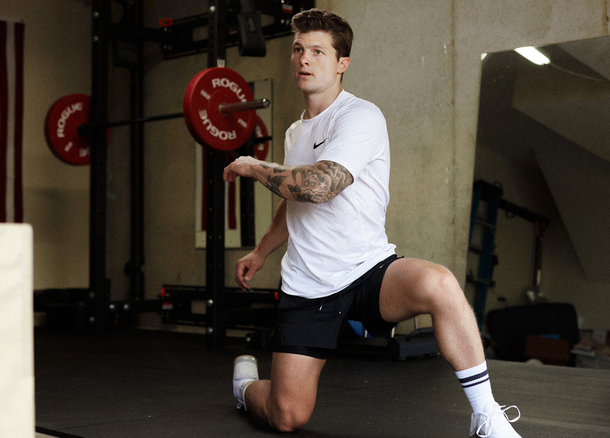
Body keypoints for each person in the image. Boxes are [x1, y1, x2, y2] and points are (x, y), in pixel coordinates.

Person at [222, 8, 522, 438]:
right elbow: (294, 202)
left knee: (439, 283)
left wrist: (253, 165)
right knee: (287, 416)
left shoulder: (360, 116)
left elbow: (319, 186)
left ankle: (486, 414)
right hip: (308, 285)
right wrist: (261, 251)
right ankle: (245, 386)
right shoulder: (293, 133)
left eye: (318, 52)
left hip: (367, 271)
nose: (304, 59)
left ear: (342, 63)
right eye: (298, 50)